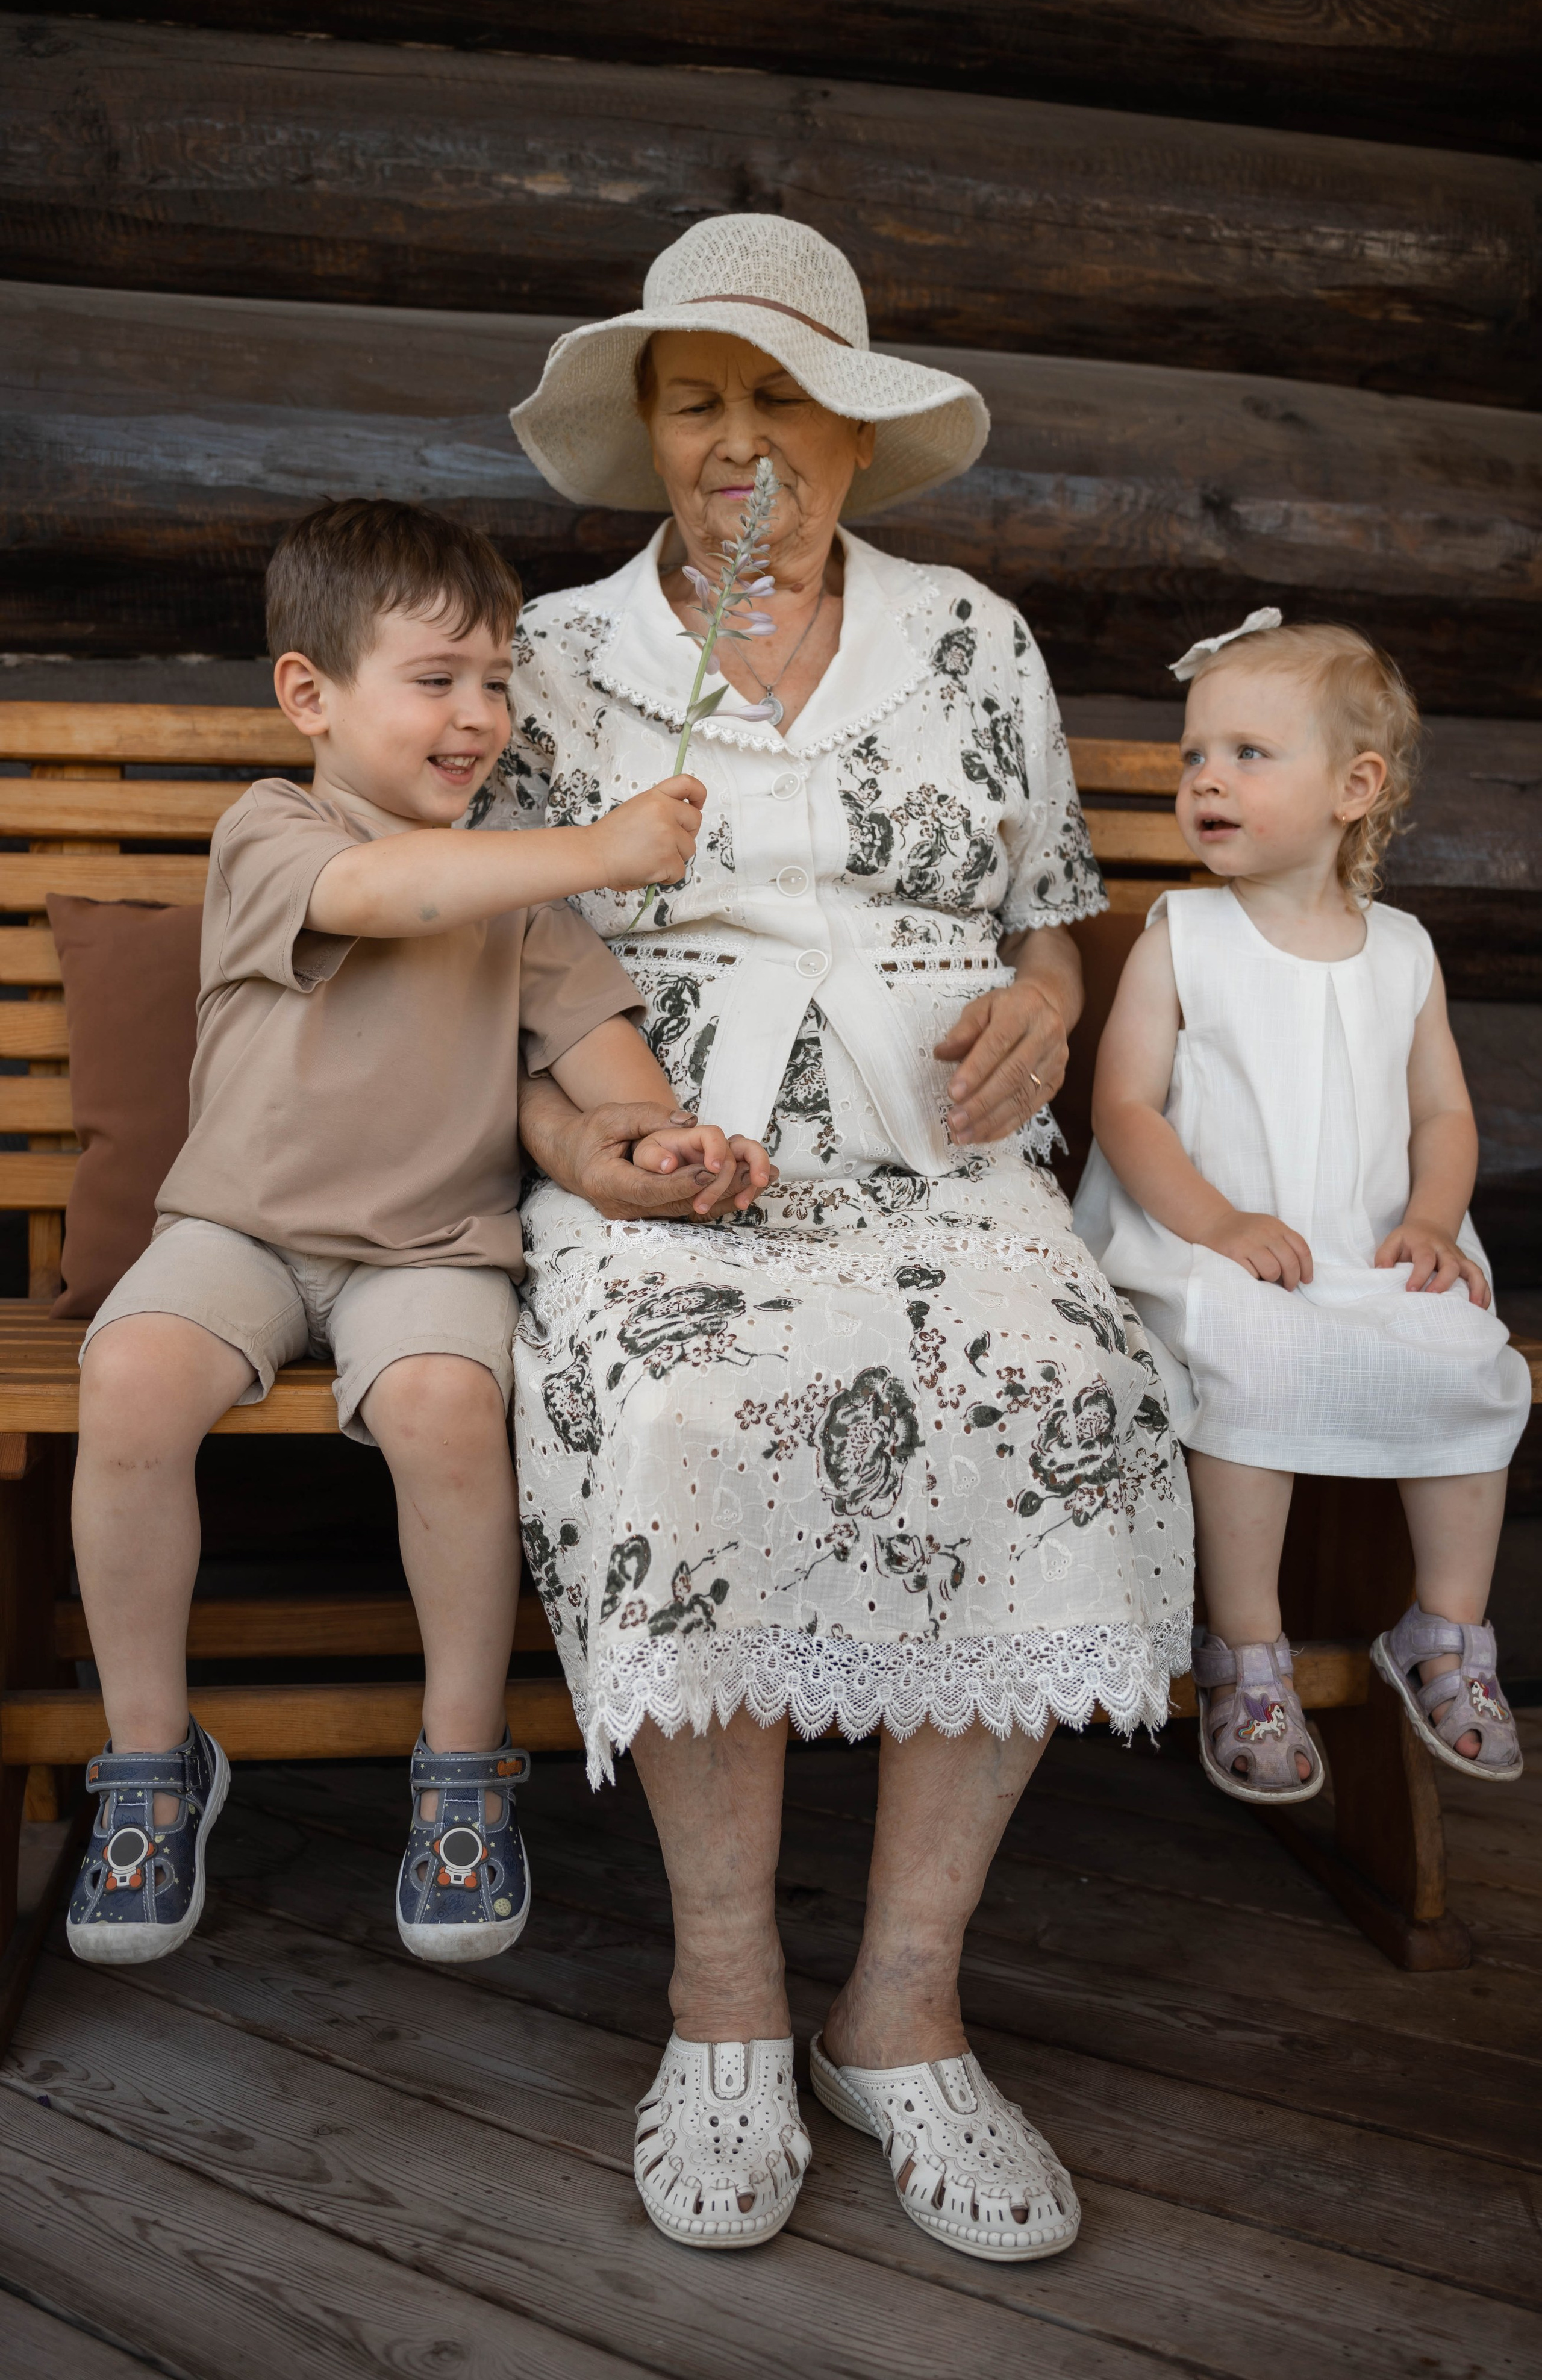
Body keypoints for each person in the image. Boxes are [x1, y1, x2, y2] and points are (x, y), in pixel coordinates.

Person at [487, 214, 1193, 2257]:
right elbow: (472, 970)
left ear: (858, 433)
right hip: (660, 1148)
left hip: (942, 1156)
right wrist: (577, 1142)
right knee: (684, 1410)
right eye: (696, 400)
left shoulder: (974, 635)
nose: (740, 442)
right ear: (647, 430)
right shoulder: (551, 655)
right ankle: (724, 1995)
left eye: (780, 397)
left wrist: (1048, 1006)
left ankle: (902, 2008)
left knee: (1062, 1388)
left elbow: (1050, 916)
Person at [66, 498, 770, 1971]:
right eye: (437, 677)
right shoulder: (280, 830)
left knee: (450, 1406)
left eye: (497, 681)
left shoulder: (528, 897)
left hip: (431, 1248)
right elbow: (384, 895)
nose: (478, 714)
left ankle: (461, 1758)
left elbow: (604, 1070)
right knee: (128, 1378)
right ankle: (148, 1756)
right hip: (238, 1228)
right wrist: (593, 847)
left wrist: (657, 1141)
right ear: (309, 694)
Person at [1076, 612, 1530, 1804]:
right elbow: (1125, 1107)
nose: (1204, 778)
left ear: (1353, 787)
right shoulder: (1185, 936)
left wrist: (1433, 1220)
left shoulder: (1402, 951)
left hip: (1361, 1238)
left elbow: (1442, 1112)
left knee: (1467, 1354)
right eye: (1192, 754)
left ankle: (1442, 1630)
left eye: (1246, 754)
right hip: (1203, 1238)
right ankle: (1246, 1648)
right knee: (1256, 1356)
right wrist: (1218, 1224)